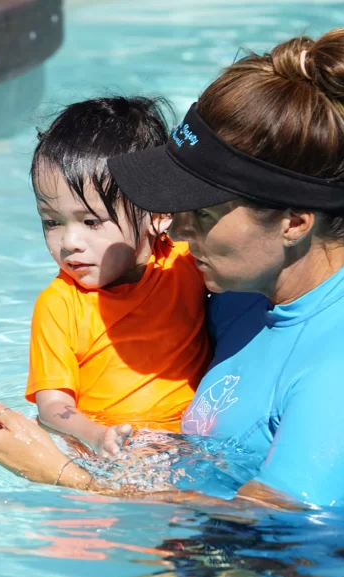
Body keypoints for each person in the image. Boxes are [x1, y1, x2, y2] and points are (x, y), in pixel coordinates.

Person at [0, 27, 344, 508]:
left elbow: (276, 533)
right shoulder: (242, 298)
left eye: (202, 213)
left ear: (293, 222)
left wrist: (61, 474)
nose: (178, 233)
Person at [26, 97, 210, 459]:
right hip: (108, 453)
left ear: (157, 214)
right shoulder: (59, 306)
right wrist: (97, 436)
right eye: (52, 222)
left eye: (91, 221)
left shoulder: (185, 266)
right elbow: (52, 407)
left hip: (189, 445)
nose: (69, 243)